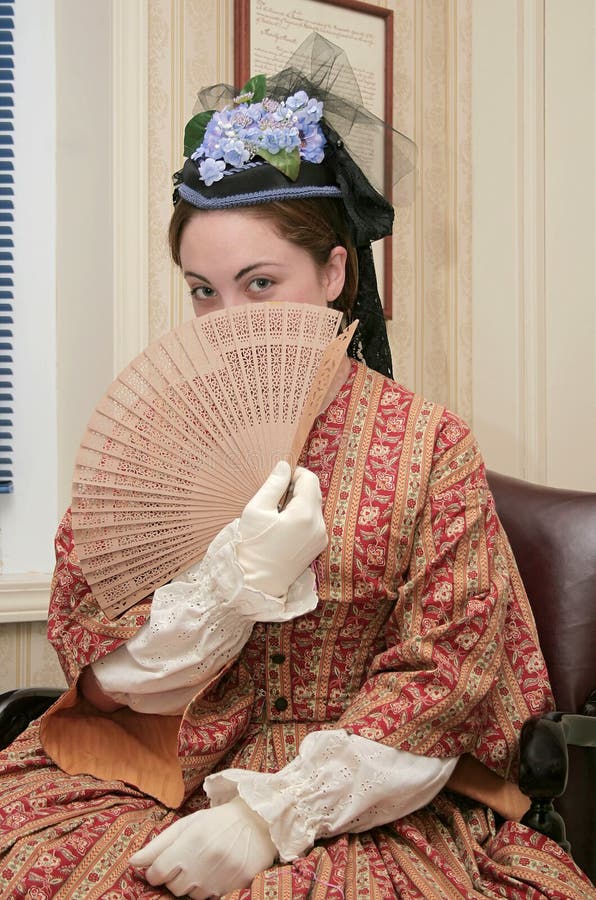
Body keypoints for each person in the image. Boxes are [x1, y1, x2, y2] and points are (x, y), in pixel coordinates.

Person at [0, 34, 594, 900]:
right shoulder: (161, 439)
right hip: (165, 769)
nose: (226, 318)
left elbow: (445, 685)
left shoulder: (431, 449)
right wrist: (228, 588)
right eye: (203, 290)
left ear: (334, 273)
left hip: (370, 793)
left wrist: (262, 819)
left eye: (260, 282)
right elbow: (105, 669)